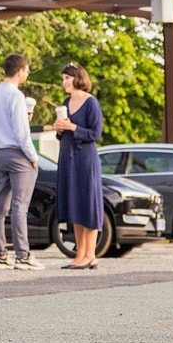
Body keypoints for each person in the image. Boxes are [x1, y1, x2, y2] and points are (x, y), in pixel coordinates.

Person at [0, 52, 43, 270]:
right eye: (27, 70)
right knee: (20, 206)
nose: (28, 73)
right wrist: (33, 157)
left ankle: (0, 255)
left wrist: (2, 134)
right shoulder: (16, 96)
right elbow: (21, 132)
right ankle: (23, 256)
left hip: (0, 153)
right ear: (20, 71)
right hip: (18, 154)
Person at [53, 63, 105, 269]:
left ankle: (90, 254)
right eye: (63, 78)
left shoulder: (91, 103)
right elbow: (64, 133)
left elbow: (95, 134)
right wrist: (59, 129)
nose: (64, 82)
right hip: (68, 158)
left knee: (88, 204)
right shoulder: (66, 103)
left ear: (78, 78)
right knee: (75, 204)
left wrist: (72, 126)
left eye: (67, 78)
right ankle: (80, 254)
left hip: (85, 160)